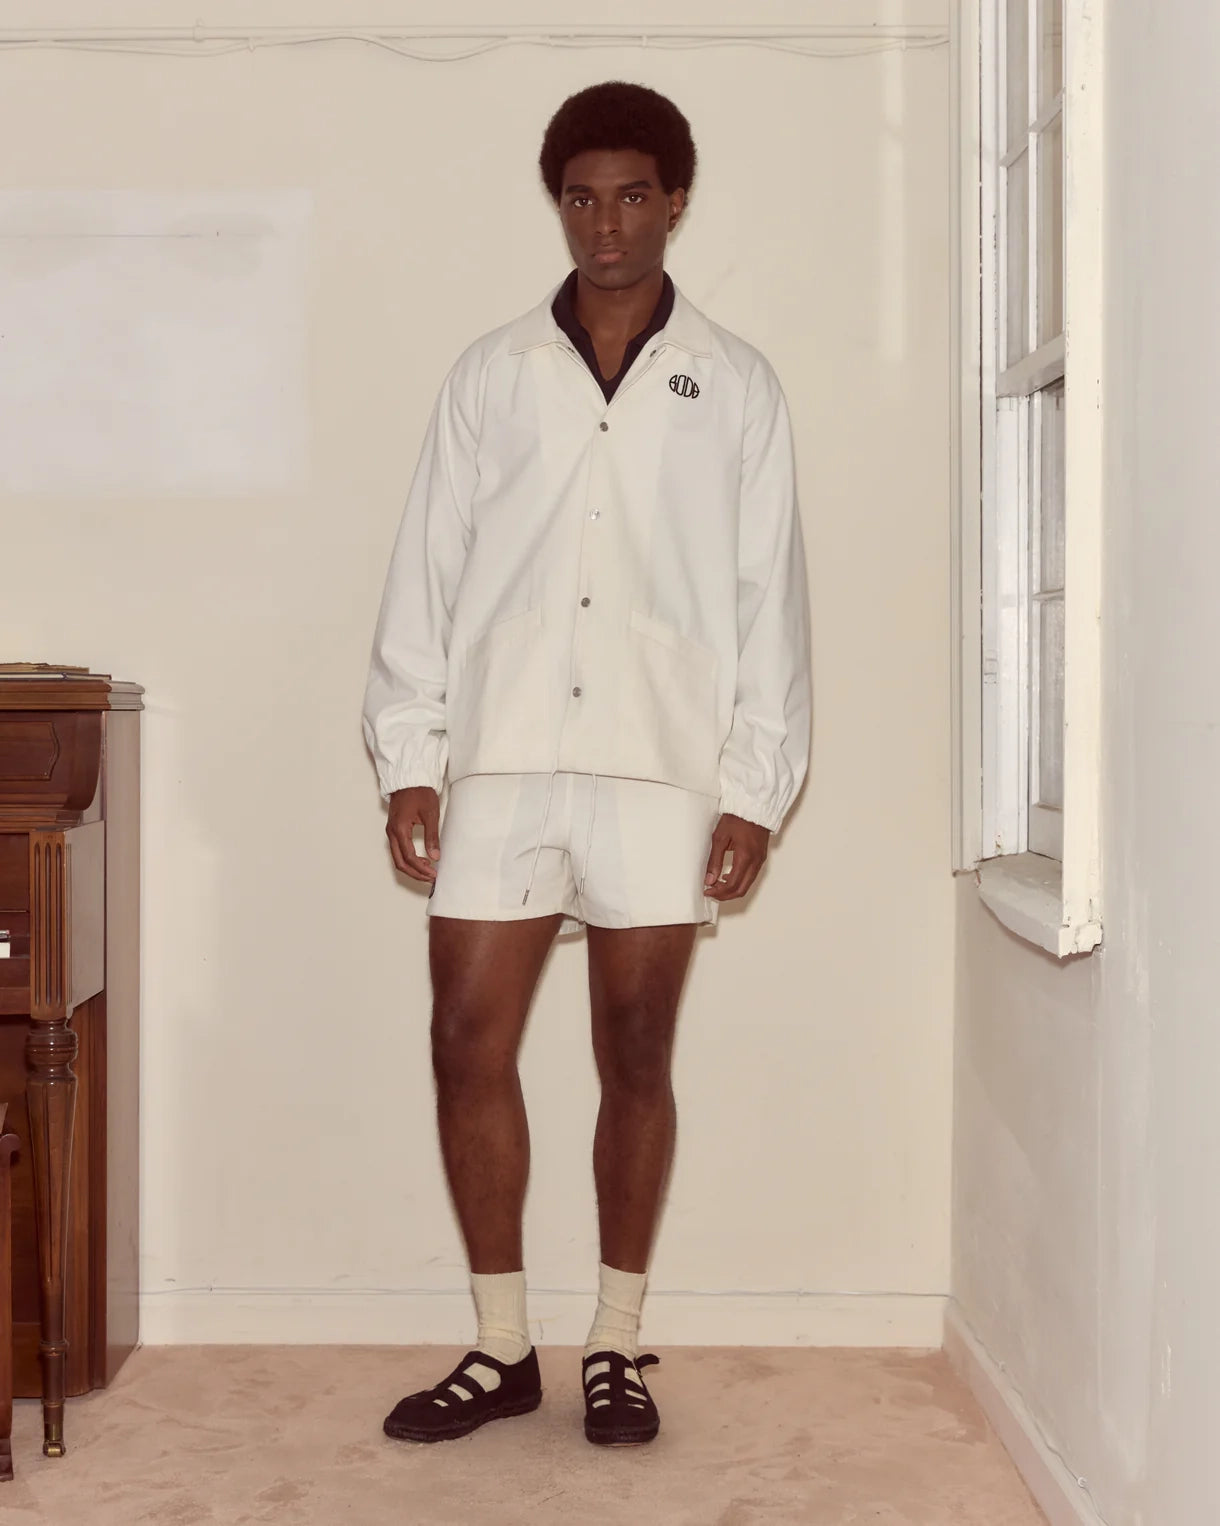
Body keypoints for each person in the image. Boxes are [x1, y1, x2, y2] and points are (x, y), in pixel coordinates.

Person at [363, 80, 811, 1447]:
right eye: (580, 196)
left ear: (675, 202)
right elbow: (426, 572)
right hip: (501, 755)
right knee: (464, 1039)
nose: (605, 224)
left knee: (635, 1046)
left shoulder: (735, 385)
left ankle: (615, 1338)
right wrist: (409, 752)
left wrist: (756, 784)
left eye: (632, 195)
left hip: (662, 767)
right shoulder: (490, 375)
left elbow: (767, 591)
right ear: (555, 204)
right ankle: (503, 1344)